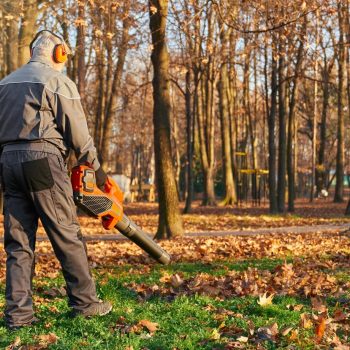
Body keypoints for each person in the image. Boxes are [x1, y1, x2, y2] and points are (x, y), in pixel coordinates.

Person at [0, 30, 112, 330]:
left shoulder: (4, 83)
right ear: (58, 52)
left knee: (18, 241)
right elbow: (77, 131)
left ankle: (18, 316)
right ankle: (86, 304)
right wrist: (96, 169)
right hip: (42, 161)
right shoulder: (57, 81)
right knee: (66, 234)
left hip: (8, 162)